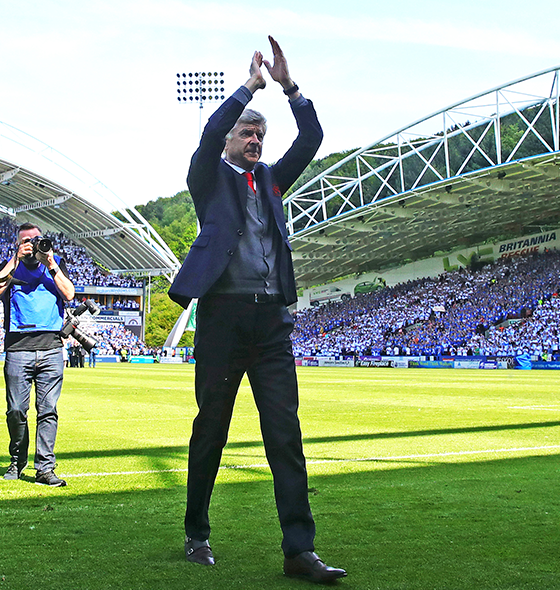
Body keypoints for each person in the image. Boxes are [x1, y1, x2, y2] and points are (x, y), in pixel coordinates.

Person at [167, 37, 344, 584]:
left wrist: (290, 88)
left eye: (260, 134)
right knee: (211, 430)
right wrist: (248, 86)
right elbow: (205, 137)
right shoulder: (208, 177)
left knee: (285, 435)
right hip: (222, 317)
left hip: (271, 322)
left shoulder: (269, 179)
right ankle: (198, 533)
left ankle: (299, 550)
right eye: (247, 132)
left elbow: (312, 137)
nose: (255, 140)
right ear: (230, 138)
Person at [0, 223, 75, 487]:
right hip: (18, 347)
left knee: (48, 410)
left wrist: (50, 263)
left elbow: (70, 294)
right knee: (16, 410)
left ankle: (45, 468)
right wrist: (15, 258)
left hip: (51, 347)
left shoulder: (56, 263)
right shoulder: (9, 264)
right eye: (25, 240)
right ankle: (17, 459)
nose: (31, 243)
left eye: (36, 239)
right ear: (17, 243)